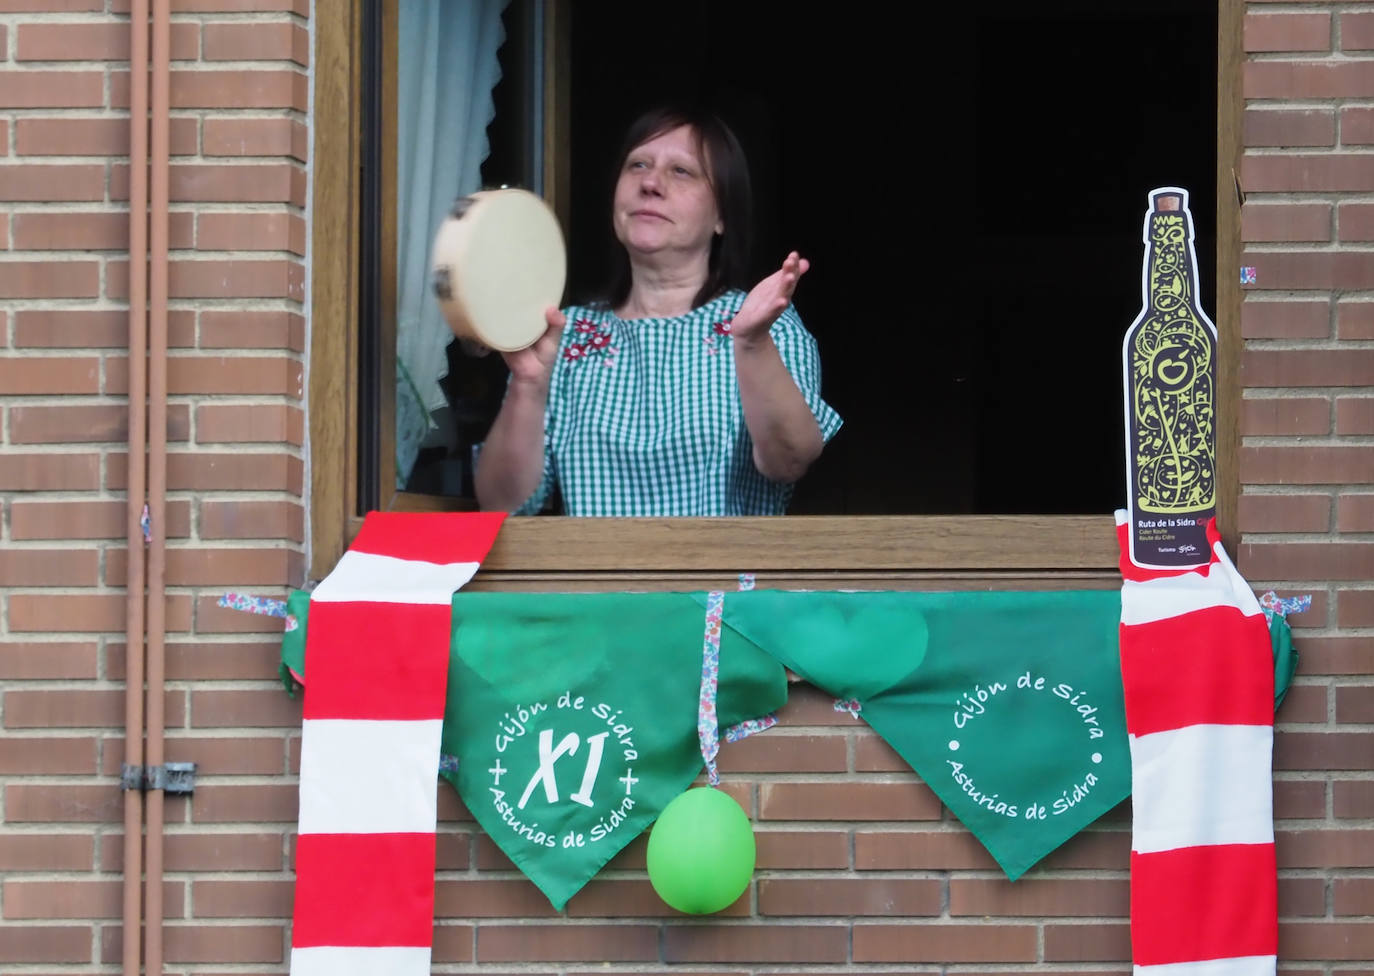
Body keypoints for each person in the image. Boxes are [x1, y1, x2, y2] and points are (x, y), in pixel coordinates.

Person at [475, 106, 841, 516]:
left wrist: (752, 344)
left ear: (722, 215)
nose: (650, 183)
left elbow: (788, 462)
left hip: (721, 577)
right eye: (638, 165)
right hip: (592, 578)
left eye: (681, 171)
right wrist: (528, 386)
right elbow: (502, 505)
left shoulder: (762, 323)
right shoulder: (566, 331)